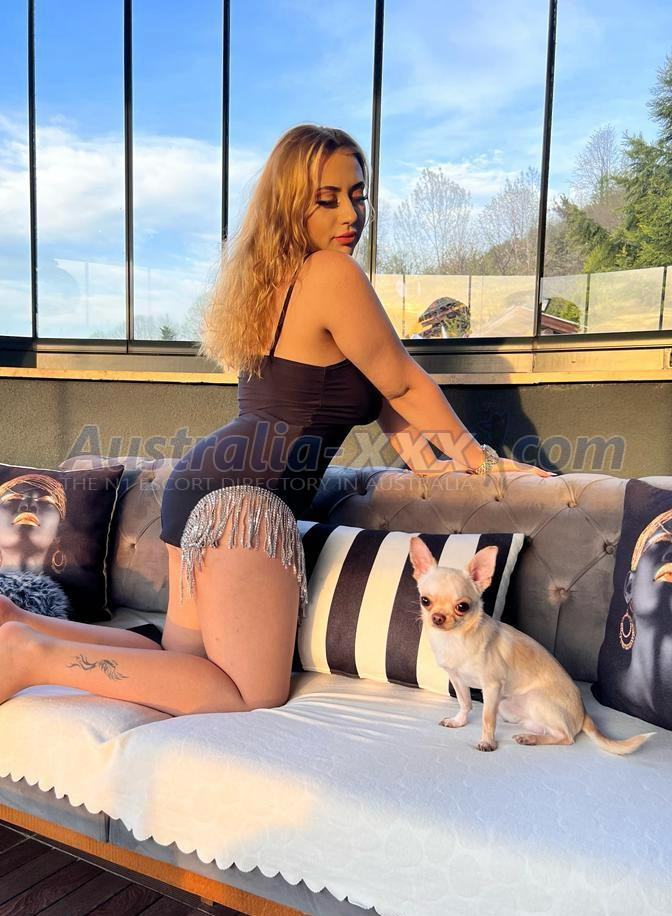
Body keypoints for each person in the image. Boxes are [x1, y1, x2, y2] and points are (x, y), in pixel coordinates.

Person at [0, 124, 551, 717]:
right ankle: (31, 656)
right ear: (290, 204)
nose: (351, 214)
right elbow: (405, 383)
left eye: (358, 195)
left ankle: (17, 622)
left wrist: (430, 462)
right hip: (245, 502)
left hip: (202, 484)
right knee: (248, 693)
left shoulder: (272, 283)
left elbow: (386, 393)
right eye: (327, 199)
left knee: (183, 658)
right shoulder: (331, 275)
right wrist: (482, 463)